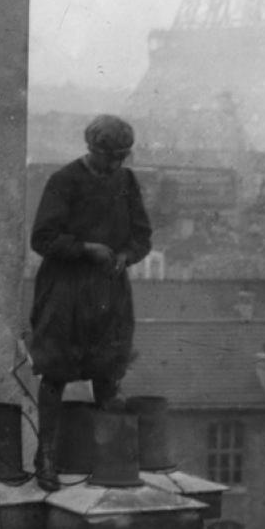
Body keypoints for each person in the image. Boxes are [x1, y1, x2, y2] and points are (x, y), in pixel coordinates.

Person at [27, 114, 153, 490]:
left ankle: (110, 463)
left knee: (108, 373)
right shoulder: (64, 181)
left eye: (121, 157)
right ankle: (46, 459)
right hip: (65, 292)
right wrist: (85, 249)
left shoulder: (126, 182)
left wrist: (125, 256)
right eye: (108, 156)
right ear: (91, 148)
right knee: (55, 374)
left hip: (109, 292)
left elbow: (142, 236)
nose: (114, 165)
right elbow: (42, 238)